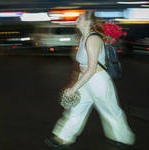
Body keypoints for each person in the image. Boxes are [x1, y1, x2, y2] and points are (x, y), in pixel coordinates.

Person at [45, 10, 135, 150]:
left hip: (97, 80)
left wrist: (74, 88)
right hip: (85, 78)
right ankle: (62, 138)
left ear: (86, 22)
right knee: (75, 110)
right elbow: (82, 66)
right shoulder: (82, 38)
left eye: (79, 18)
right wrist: (75, 81)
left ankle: (122, 138)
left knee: (110, 110)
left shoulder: (93, 39)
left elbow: (92, 68)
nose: (77, 20)